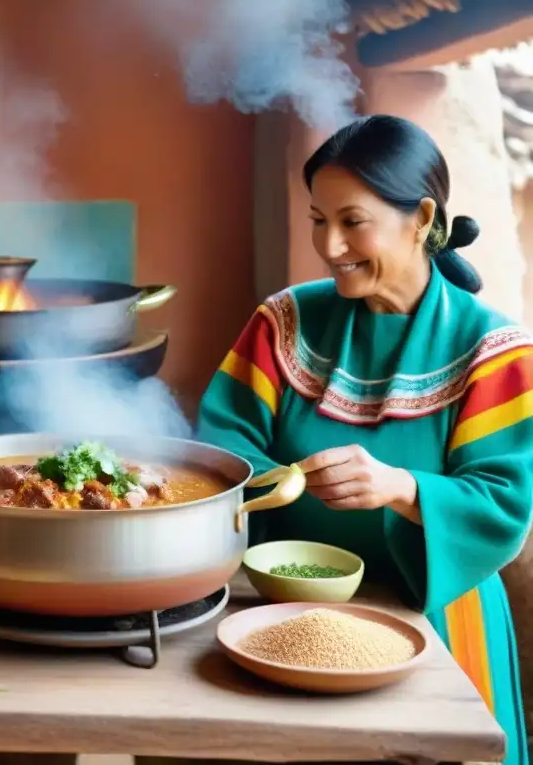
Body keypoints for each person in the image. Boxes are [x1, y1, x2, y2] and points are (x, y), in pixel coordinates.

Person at [139, 114, 532, 765]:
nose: (329, 244)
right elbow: (222, 449)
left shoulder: (494, 351)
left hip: (436, 624)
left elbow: (502, 502)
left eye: (353, 221)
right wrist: (283, 478)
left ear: (421, 216)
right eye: (318, 218)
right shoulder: (283, 320)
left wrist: (401, 488)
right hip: (281, 619)